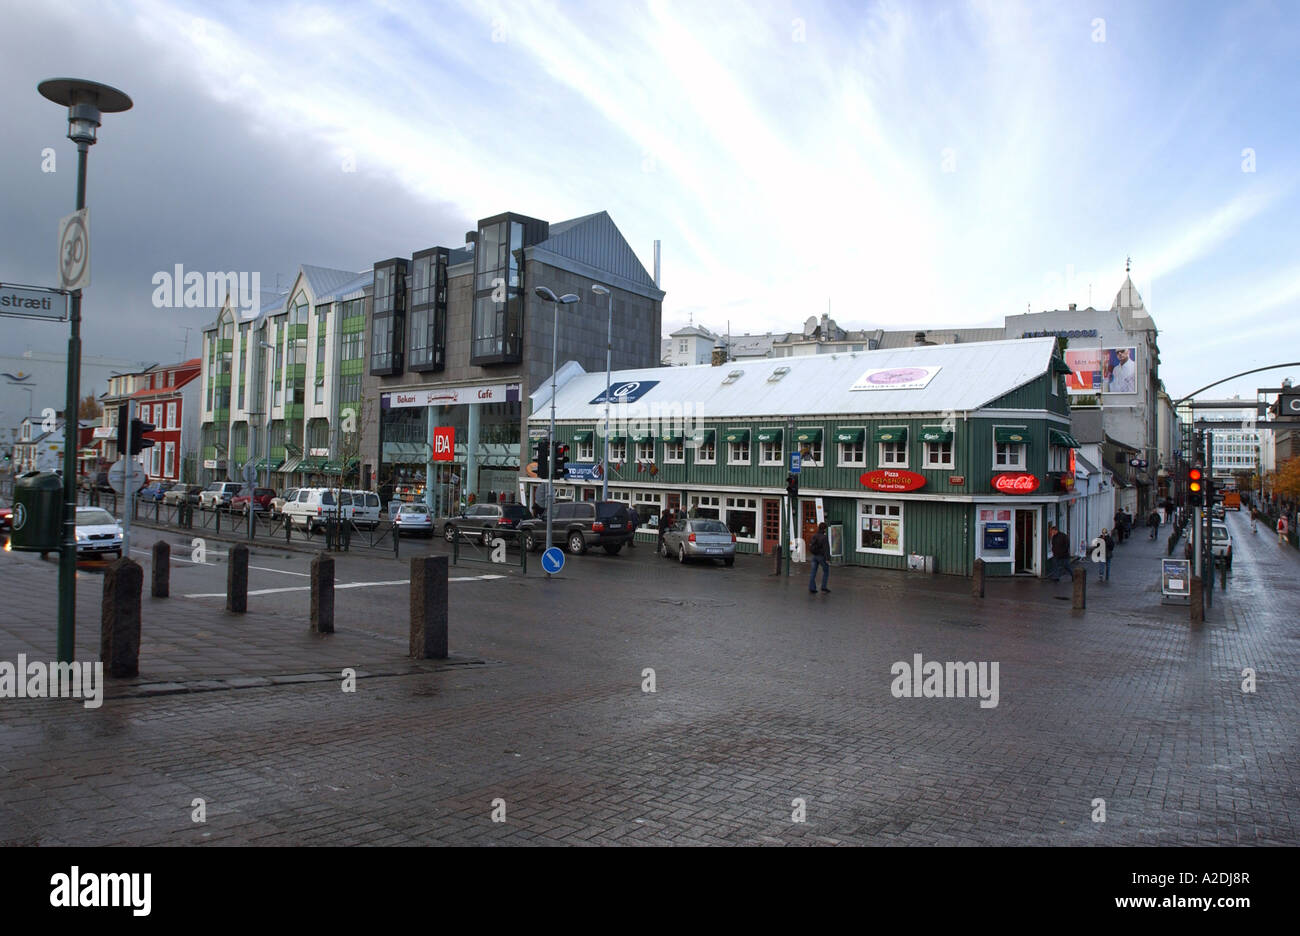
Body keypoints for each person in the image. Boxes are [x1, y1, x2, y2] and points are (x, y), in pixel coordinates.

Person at [808, 521, 831, 593]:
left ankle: (812, 588)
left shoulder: (814, 535)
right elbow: (826, 548)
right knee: (826, 571)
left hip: (814, 556)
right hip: (821, 556)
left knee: (813, 572)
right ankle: (823, 587)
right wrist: (828, 559)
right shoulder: (824, 537)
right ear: (824, 529)